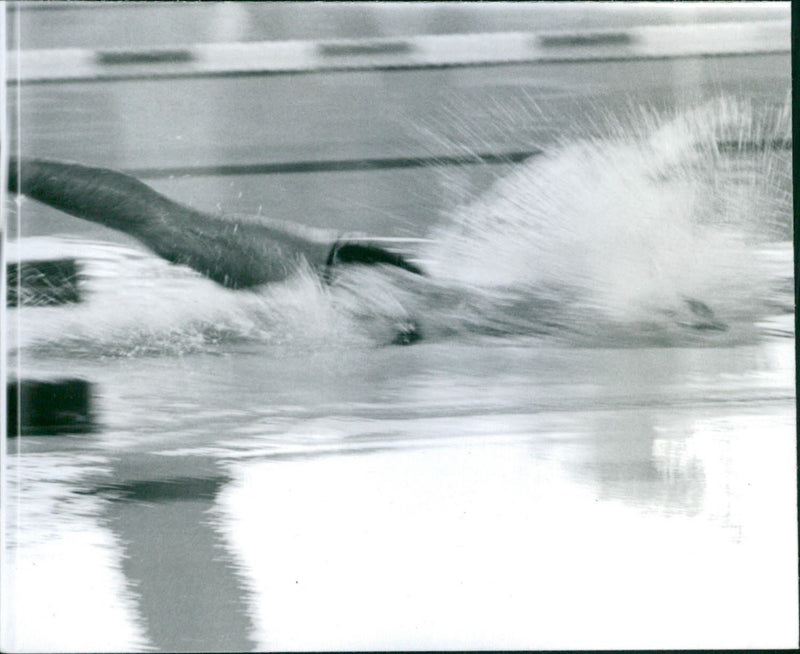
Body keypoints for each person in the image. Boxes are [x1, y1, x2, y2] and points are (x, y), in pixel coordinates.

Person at [7, 157, 424, 289]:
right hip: (341, 275)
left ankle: (13, 168)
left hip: (340, 275)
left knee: (171, 228)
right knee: (171, 229)